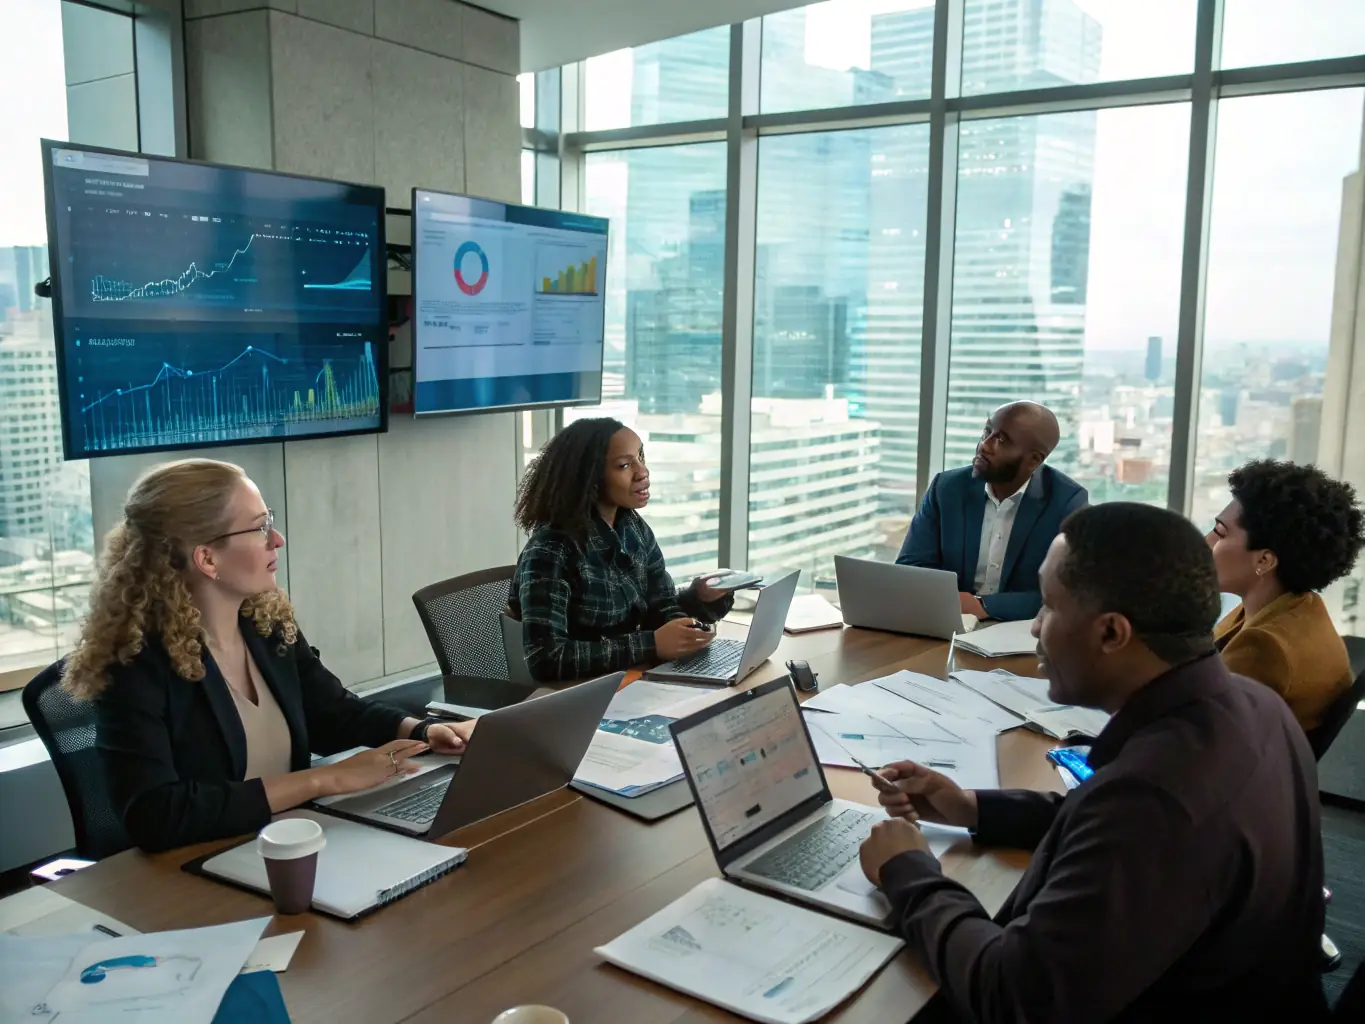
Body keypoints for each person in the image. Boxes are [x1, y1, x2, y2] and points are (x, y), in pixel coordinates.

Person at [860, 503, 1326, 1023]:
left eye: (1050, 607)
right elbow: (1102, 823)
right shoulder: (1250, 706)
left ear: (1111, 633)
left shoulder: (1158, 798)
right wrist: (971, 806)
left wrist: (909, 873)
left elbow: (1013, 998)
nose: (1035, 628)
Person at [62, 459, 474, 853]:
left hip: (289, 842)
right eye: (260, 528)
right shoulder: (135, 664)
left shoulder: (265, 624)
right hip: (199, 866)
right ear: (207, 558)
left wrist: (419, 731)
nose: (276, 540)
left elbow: (331, 712)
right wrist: (322, 780)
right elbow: (156, 814)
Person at [510, 417, 733, 682]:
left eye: (640, 457)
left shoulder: (633, 527)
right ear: (590, 478)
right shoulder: (551, 550)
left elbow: (660, 605)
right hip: (579, 695)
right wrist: (652, 644)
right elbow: (546, 658)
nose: (643, 472)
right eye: (625, 465)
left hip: (633, 678)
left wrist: (696, 611)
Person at [1206, 459, 1364, 733]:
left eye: (1221, 532)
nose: (1208, 542)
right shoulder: (1298, 608)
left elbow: (1200, 730)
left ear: (1265, 561)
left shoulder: (1264, 647)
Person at [897, 401, 1086, 621]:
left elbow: (1068, 594)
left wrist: (984, 606)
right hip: (950, 623)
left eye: (1002, 440)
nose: (985, 445)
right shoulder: (947, 488)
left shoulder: (1067, 502)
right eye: (987, 431)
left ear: (1034, 460)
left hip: (1020, 632)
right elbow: (910, 568)